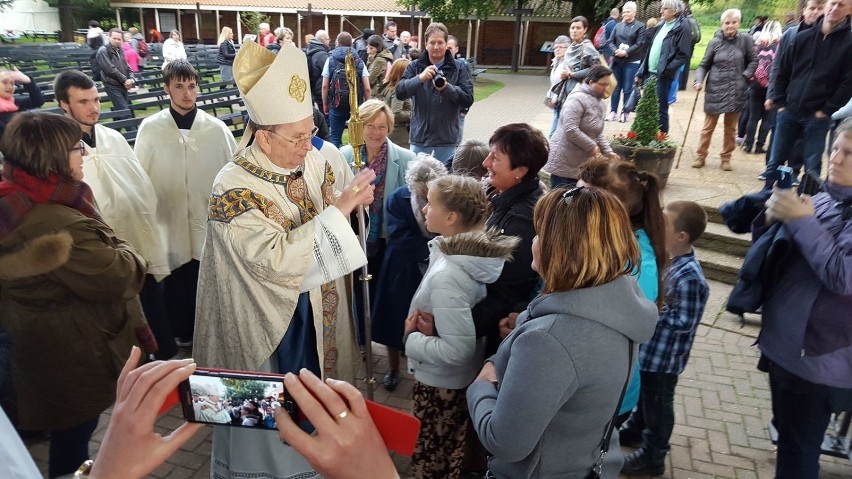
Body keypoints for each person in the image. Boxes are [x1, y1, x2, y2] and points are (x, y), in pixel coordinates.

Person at [192, 40, 376, 478]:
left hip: (322, 320)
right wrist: (341, 212)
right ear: (263, 136)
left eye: (310, 131)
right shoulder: (232, 188)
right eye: (297, 137)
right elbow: (272, 261)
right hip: (264, 335)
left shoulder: (314, 157)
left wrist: (357, 194)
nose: (307, 146)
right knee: (268, 439)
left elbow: (342, 183)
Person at [466, 186, 658, 478]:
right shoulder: (619, 304)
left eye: (540, 233)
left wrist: (480, 383)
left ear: (560, 248)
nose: (534, 240)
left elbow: (503, 442)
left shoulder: (549, 341)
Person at [0, 111, 148, 477]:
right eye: (75, 147)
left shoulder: (14, 200)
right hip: (70, 351)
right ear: (51, 157)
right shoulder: (58, 224)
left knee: (66, 434)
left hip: (35, 344)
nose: (83, 153)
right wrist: (125, 247)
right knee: (75, 440)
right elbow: (122, 274)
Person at [404, 175, 519, 479]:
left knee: (434, 458)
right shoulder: (454, 251)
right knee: (448, 449)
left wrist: (410, 339)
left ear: (452, 217)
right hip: (451, 378)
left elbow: (457, 349)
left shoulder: (450, 274)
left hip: (441, 380)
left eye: (431, 203)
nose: (425, 209)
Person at [53, 69, 173, 359]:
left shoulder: (113, 137)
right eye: (83, 102)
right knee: (122, 319)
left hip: (138, 238)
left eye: (96, 99)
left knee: (153, 304)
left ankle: (165, 358)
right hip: (102, 250)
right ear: (64, 105)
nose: (94, 108)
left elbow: (140, 184)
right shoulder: (58, 150)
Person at [756, 117, 852, 478]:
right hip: (787, 349)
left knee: (798, 455)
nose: (836, 159)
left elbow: (842, 276)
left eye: (849, 154)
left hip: (819, 360)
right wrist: (772, 217)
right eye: (837, 149)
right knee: (791, 446)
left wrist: (800, 220)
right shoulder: (829, 198)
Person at [134, 60, 236, 348]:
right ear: (167, 88)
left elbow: (231, 174)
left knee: (205, 278)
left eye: (191, 86)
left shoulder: (216, 129)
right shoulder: (151, 129)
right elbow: (140, 174)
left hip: (206, 218)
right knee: (175, 281)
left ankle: (209, 332)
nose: (187, 94)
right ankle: (179, 333)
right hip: (169, 218)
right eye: (178, 86)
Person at [577, 156, 667, 431]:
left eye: (581, 196)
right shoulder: (597, 240)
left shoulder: (639, 265)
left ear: (610, 208)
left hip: (603, 394)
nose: (569, 203)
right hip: (581, 382)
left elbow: (610, 329)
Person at [620, 201, 710, 476]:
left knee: (659, 403)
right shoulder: (666, 258)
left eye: (664, 224)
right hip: (650, 353)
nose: (655, 228)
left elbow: (684, 321)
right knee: (646, 396)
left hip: (664, 360)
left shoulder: (690, 276)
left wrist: (651, 311)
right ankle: (636, 428)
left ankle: (654, 453)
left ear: (681, 236)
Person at [340, 99, 415, 348]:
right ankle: (361, 341)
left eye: (382, 127)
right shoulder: (345, 156)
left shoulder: (405, 159)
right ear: (359, 127)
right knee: (358, 294)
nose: (375, 132)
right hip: (354, 237)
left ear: (390, 128)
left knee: (386, 297)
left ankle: (392, 346)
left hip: (387, 241)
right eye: (369, 125)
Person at [370, 155, 447, 391]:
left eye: (430, 193)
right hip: (402, 267)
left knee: (427, 316)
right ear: (413, 187)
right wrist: (434, 250)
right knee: (395, 317)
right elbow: (400, 236)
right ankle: (393, 367)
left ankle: (421, 360)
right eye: (422, 193)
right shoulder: (397, 198)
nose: (426, 199)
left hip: (436, 264)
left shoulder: (447, 196)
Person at [764, 0, 851, 179]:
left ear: (849, 10)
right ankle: (767, 201)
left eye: (841, 5)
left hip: (817, 116)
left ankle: (809, 202)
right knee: (775, 162)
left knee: (812, 167)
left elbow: (848, 83)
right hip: (789, 111)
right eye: (833, 3)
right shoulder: (801, 38)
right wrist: (780, 103)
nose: (835, 8)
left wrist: (826, 110)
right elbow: (782, 71)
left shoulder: (849, 44)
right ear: (826, 6)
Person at [396, 22, 474, 165]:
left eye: (440, 42)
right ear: (426, 44)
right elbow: (400, 92)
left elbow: (467, 99)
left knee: (444, 183)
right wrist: (420, 78)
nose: (436, 46)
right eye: (432, 42)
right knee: (416, 182)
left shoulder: (459, 68)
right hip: (420, 137)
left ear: (446, 44)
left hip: (447, 139)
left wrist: (447, 88)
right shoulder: (415, 66)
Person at [692, 8, 757, 171]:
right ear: (722, 25)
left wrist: (745, 76)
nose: (730, 26)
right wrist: (698, 80)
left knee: (731, 128)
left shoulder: (746, 40)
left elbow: (753, 61)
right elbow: (703, 65)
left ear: (739, 23)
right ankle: (701, 155)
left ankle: (726, 158)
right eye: (727, 23)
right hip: (715, 89)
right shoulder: (714, 42)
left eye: (734, 22)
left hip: (736, 90)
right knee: (708, 127)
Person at [545, 64, 618, 188]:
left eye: (607, 85)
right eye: (603, 84)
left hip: (581, 163)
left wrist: (609, 152)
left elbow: (598, 132)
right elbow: (571, 129)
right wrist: (593, 148)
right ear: (590, 82)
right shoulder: (576, 99)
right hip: (564, 162)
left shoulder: (600, 103)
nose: (606, 88)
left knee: (575, 202)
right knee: (561, 202)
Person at [636, 0, 693, 134]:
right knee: (649, 107)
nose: (661, 11)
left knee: (660, 109)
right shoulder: (661, 24)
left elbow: (683, 55)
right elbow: (651, 49)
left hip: (663, 75)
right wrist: (641, 71)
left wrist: (666, 70)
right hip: (650, 72)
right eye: (662, 8)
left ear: (675, 11)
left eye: (665, 8)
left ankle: (661, 140)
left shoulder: (682, 27)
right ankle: (648, 135)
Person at [321, 31, 371, 148]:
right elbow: (367, 88)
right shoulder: (359, 61)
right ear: (351, 44)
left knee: (334, 137)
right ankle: (356, 162)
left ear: (338, 43)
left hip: (336, 105)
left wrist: (325, 104)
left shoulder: (330, 60)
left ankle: (335, 164)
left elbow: (324, 86)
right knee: (357, 138)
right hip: (356, 106)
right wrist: (367, 106)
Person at [743, 21, 782, 155]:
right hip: (770, 88)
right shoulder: (779, 48)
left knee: (753, 117)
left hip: (755, 86)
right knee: (766, 119)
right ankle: (760, 145)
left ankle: (748, 144)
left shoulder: (757, 47)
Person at [606, 2, 646, 123]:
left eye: (628, 11)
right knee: (616, 87)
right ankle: (613, 111)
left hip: (631, 61)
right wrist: (615, 51)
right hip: (617, 60)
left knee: (628, 88)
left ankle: (625, 112)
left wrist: (627, 52)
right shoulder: (617, 26)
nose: (625, 14)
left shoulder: (640, 26)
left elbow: (640, 43)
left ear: (634, 12)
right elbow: (610, 41)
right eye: (623, 11)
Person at [95, 28, 135, 117]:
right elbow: (109, 69)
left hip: (123, 86)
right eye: (114, 38)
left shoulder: (120, 50)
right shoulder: (103, 51)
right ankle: (134, 131)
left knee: (120, 112)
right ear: (109, 37)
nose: (117, 41)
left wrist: (131, 79)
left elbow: (127, 67)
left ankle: (115, 129)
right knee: (125, 113)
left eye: (119, 39)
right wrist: (125, 80)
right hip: (112, 86)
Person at [0, 68, 44, 138]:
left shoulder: (14, 102)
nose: (10, 87)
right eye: (4, 82)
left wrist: (28, 81)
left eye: (12, 83)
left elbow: (38, 101)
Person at [379, 58, 413, 149]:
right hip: (399, 136)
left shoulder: (389, 87)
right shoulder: (397, 91)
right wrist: (413, 113)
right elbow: (396, 113)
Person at [546, 35, 571, 138]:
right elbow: (554, 83)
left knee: (554, 133)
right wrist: (549, 96)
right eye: (556, 47)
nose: (557, 49)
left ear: (568, 48)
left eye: (561, 47)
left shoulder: (568, 63)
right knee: (556, 129)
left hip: (564, 100)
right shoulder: (556, 61)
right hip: (556, 99)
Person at [306, 30, 331, 109]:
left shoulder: (311, 51)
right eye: (328, 39)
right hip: (321, 90)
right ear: (323, 40)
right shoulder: (322, 55)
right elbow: (329, 72)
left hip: (315, 89)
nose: (329, 41)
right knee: (326, 116)